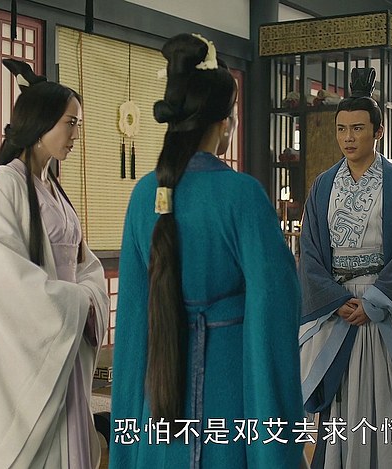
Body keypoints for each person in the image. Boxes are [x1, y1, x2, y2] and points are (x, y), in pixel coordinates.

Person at [110, 33, 304, 469]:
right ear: (226, 123)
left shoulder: (144, 196)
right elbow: (275, 306)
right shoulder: (241, 195)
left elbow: (133, 329)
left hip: (161, 396)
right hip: (229, 387)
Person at [0, 59, 110, 469]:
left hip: (63, 348)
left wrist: (88, 297)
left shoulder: (54, 189)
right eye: (70, 123)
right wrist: (77, 302)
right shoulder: (2, 191)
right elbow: (2, 281)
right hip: (34, 351)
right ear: (41, 124)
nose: (76, 135)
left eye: (78, 124)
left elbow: (86, 265)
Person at [298, 68, 392, 469]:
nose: (348, 137)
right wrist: (333, 299)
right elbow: (310, 251)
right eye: (341, 129)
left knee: (386, 396)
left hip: (385, 308)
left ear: (378, 132)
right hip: (338, 308)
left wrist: (376, 301)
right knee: (341, 398)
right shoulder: (323, 186)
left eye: (358, 128)